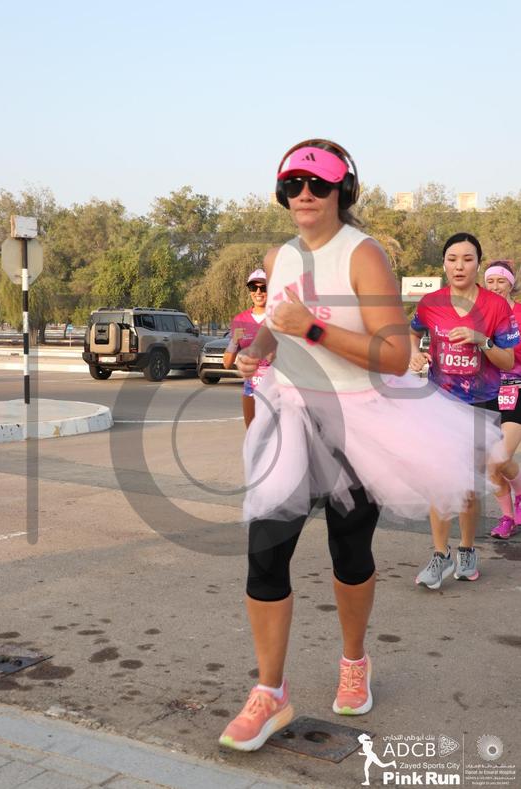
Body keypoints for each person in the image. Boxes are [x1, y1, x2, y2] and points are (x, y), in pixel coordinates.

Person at [218, 140, 504, 753]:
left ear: (342, 191)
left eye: (317, 184)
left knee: (349, 553)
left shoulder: (363, 254)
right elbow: (276, 331)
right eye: (292, 184)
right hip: (289, 416)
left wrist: (313, 327)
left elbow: (395, 355)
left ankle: (354, 660)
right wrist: (252, 352)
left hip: (358, 421)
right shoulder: (280, 257)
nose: (304, 195)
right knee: (265, 553)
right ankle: (269, 692)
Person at [410, 234, 519, 588]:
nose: (459, 266)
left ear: (478, 264)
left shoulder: (496, 307)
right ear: (443, 263)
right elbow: (412, 332)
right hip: (440, 403)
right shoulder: (430, 303)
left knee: (468, 487)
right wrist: (414, 353)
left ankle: (467, 549)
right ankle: (439, 554)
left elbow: (507, 360)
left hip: (481, 404)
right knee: (439, 480)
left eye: (467, 259)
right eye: (452, 259)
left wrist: (480, 340)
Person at [484, 260, 521, 538]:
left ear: (511, 284)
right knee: (492, 465)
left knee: (499, 458)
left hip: (517, 389)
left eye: (501, 281)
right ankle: (508, 516)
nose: (495, 287)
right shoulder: (479, 316)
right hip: (487, 392)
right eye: (490, 281)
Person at [223, 269, 270, 428]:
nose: (258, 292)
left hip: (277, 387)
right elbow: (226, 364)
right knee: (252, 434)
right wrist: (234, 341)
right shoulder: (240, 319)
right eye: (253, 288)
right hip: (251, 387)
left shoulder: (278, 316)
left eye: (263, 288)